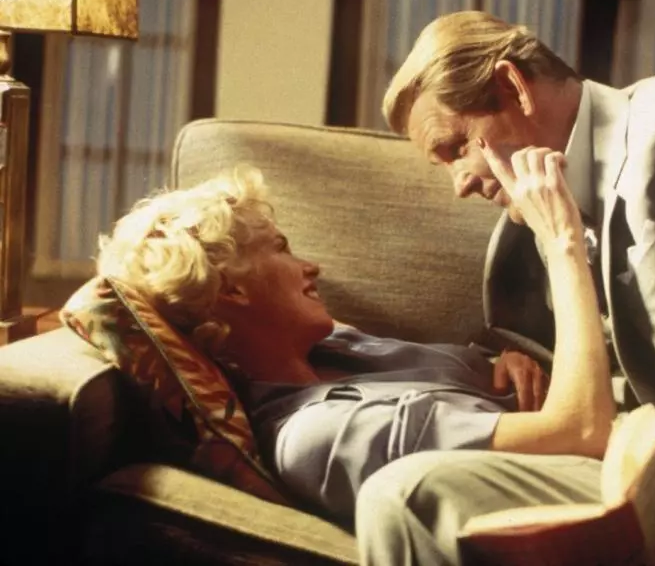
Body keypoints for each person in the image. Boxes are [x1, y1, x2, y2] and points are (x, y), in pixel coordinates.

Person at [355, 9, 655, 565]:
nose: (459, 185)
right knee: (401, 499)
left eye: (456, 147)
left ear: (513, 87)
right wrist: (517, 362)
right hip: (623, 465)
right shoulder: (520, 236)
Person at [95, 164, 613, 524]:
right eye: (281, 249)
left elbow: (467, 379)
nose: (311, 266)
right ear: (231, 290)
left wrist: (507, 362)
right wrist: (562, 243)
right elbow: (582, 432)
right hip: (607, 479)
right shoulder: (322, 435)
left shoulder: (330, 348)